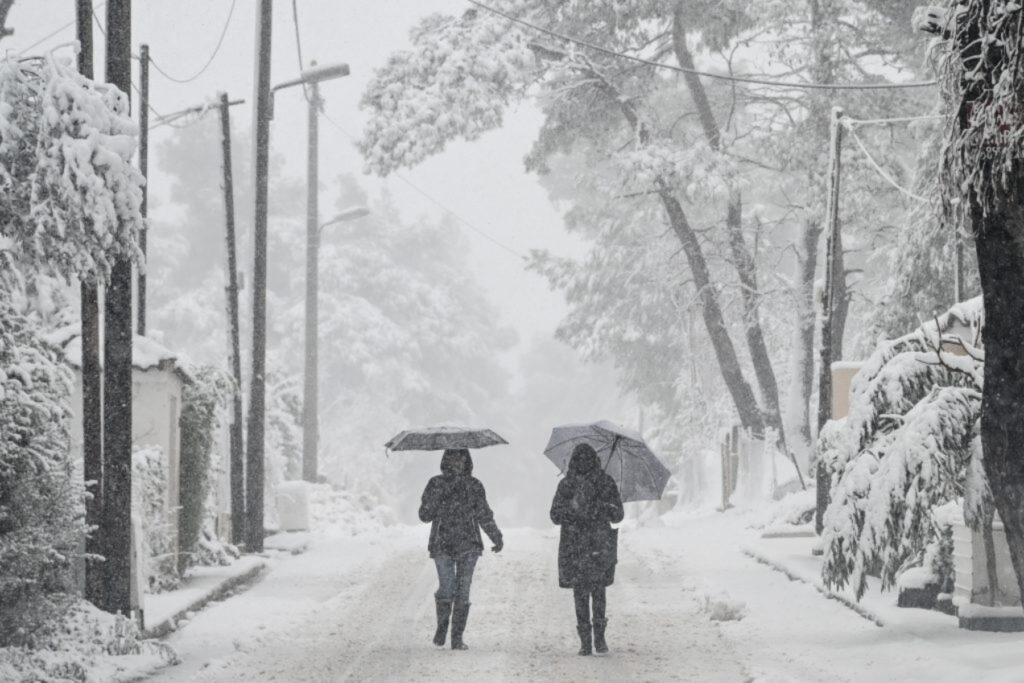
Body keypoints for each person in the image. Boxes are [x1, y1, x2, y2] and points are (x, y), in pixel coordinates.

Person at [418, 448, 503, 650]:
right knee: (447, 588)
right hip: (442, 544)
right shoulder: (435, 483)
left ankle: (456, 637)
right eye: (453, 457)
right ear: (446, 460)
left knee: (463, 592)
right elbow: (424, 515)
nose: (457, 461)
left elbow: (484, 514)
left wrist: (496, 536)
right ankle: (442, 625)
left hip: (469, 545)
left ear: (467, 461)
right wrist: (439, 496)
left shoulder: (474, 485)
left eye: (461, 457)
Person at [549, 443, 624, 656]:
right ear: (574, 462)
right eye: (579, 460)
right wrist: (572, 509)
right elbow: (554, 515)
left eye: (587, 460)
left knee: (598, 591)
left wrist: (600, 506)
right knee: (580, 593)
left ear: (593, 461)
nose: (583, 464)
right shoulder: (566, 485)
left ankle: (599, 637)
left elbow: (618, 514)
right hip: (575, 547)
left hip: (599, 545)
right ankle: (585, 640)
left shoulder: (605, 483)